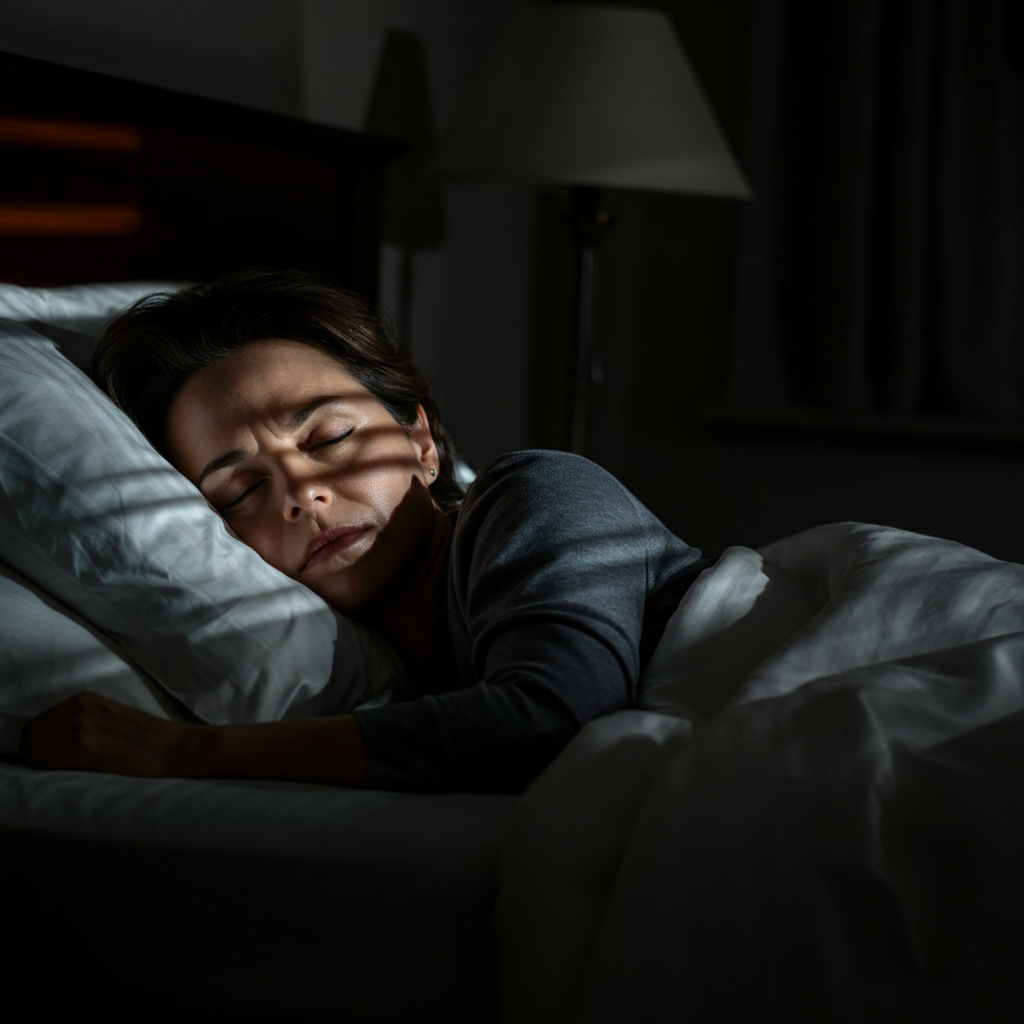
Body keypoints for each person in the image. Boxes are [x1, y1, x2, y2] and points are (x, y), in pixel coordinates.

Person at [19, 269, 709, 793]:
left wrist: (178, 752)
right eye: (242, 490)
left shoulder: (539, 495)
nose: (302, 494)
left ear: (422, 440)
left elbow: (556, 717)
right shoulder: (375, 675)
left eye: (331, 437)